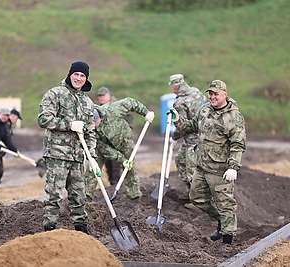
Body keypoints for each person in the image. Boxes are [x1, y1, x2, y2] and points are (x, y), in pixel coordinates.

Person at [168, 79, 246, 245]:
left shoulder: (233, 117)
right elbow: (192, 126)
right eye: (210, 93)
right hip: (202, 167)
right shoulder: (204, 110)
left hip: (220, 170)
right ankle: (221, 222)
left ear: (225, 94)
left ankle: (227, 241)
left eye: (216, 94)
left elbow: (238, 144)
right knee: (196, 198)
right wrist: (177, 120)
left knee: (225, 203)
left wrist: (233, 167)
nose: (212, 97)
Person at [38, 61, 98, 234]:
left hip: (78, 156)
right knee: (54, 195)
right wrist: (69, 124)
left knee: (79, 196)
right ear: (70, 74)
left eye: (82, 76)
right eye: (76, 74)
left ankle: (82, 231)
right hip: (57, 154)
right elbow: (43, 119)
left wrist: (91, 156)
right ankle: (49, 230)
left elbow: (90, 132)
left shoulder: (87, 102)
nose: (78, 78)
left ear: (86, 78)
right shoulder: (55, 94)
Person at [86, 97, 154, 201]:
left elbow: (130, 102)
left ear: (98, 118)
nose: (94, 127)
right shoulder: (91, 129)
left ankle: (134, 196)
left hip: (124, 141)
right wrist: (122, 160)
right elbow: (104, 148)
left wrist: (146, 113)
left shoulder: (113, 109)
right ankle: (86, 196)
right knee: (93, 169)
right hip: (103, 145)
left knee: (130, 168)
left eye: (94, 124)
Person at [168, 74, 204, 202]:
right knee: (180, 160)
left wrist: (174, 137)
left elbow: (182, 125)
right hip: (203, 134)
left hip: (192, 140)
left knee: (192, 170)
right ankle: (191, 192)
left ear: (175, 87)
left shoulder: (179, 103)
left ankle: (198, 201)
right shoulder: (197, 92)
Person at [96, 87, 133, 186]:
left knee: (118, 166)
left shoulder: (117, 105)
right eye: (99, 96)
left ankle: (119, 186)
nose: (101, 98)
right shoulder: (100, 108)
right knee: (109, 166)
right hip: (106, 142)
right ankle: (113, 185)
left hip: (118, 141)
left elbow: (128, 116)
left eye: (103, 95)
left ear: (109, 95)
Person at [0, 108, 22, 187]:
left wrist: (14, 150)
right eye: (17, 118)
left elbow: (7, 141)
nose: (16, 120)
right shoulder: (5, 124)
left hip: (0, 152)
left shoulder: (8, 125)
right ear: (13, 116)